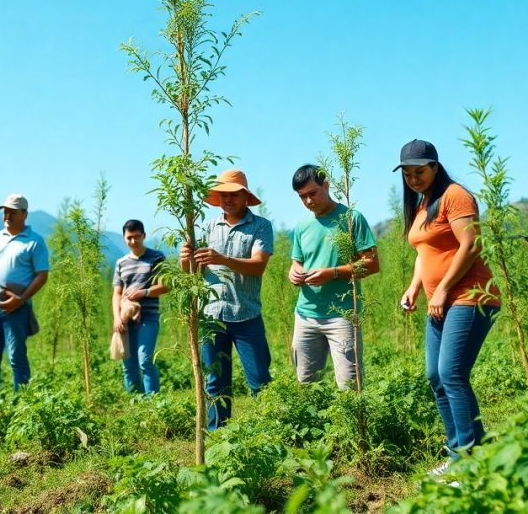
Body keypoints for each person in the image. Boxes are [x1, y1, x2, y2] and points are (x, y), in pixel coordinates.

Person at [396, 140, 499, 475]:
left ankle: (468, 463)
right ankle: (464, 452)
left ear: (435, 168)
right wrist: (415, 288)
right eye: (408, 174)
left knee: (452, 374)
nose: (413, 179)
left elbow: (470, 245)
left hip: (470, 295)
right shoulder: (424, 203)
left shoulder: (455, 196)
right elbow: (425, 253)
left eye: (420, 172)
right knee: (436, 377)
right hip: (441, 300)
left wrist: (441, 289)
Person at [179, 169, 274, 430]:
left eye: (232, 194)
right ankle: (218, 435)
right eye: (222, 194)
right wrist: (185, 258)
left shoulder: (261, 226)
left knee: (260, 380)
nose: (227, 199)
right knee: (215, 382)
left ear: (245, 197)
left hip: (247, 316)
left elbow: (258, 266)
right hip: (211, 316)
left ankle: (271, 433)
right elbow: (191, 272)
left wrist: (222, 260)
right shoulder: (207, 227)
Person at [289, 164, 379, 390]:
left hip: (343, 315)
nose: (308, 201)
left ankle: (353, 426)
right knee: (306, 386)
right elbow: (297, 260)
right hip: (306, 316)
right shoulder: (302, 226)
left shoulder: (351, 219)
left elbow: (372, 263)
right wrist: (294, 271)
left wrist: (334, 273)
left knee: (349, 386)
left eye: (312, 193)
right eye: (302, 197)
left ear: (326, 186)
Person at [0, 193, 49, 393]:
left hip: (16, 310)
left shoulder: (34, 241)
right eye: (5, 212)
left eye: (12, 212)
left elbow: (42, 275)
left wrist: (22, 299)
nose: (7, 215)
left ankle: (22, 404)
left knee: (17, 359)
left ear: (24, 214)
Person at [112, 219, 169, 394]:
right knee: (128, 362)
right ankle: (136, 402)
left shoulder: (157, 257)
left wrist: (143, 292)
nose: (133, 241)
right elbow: (117, 293)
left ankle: (154, 402)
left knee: (145, 360)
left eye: (137, 237)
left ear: (144, 236)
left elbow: (166, 285)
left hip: (149, 316)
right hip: (125, 317)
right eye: (129, 237)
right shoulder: (121, 263)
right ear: (124, 238)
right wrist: (117, 317)